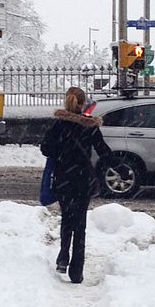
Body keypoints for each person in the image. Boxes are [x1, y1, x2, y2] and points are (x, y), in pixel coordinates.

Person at [40, 86, 112, 284]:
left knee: (67, 219)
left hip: (63, 178)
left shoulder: (58, 126)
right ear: (82, 105)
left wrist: (62, 151)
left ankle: (63, 257)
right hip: (83, 179)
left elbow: (45, 149)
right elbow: (103, 151)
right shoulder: (90, 127)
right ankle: (76, 271)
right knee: (80, 225)